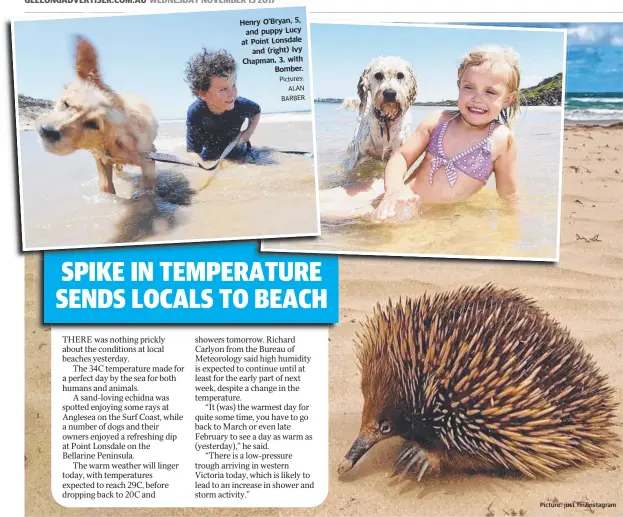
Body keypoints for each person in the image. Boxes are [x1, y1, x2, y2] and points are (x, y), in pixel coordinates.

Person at [322, 45, 520, 222]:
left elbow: (508, 195)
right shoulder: (438, 120)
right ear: (459, 85)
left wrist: (509, 233)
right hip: (392, 191)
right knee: (318, 204)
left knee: (348, 219)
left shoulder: (502, 141)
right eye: (469, 87)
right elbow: (401, 156)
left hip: (423, 213)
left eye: (490, 92)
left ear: (508, 99)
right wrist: (394, 189)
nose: (477, 98)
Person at [184, 48, 261, 161]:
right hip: (210, 155)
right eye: (224, 89)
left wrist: (248, 132)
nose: (232, 94)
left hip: (237, 149)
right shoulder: (196, 113)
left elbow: (256, 111)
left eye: (233, 86)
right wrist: (202, 168)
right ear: (202, 93)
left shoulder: (240, 105)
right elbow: (193, 151)